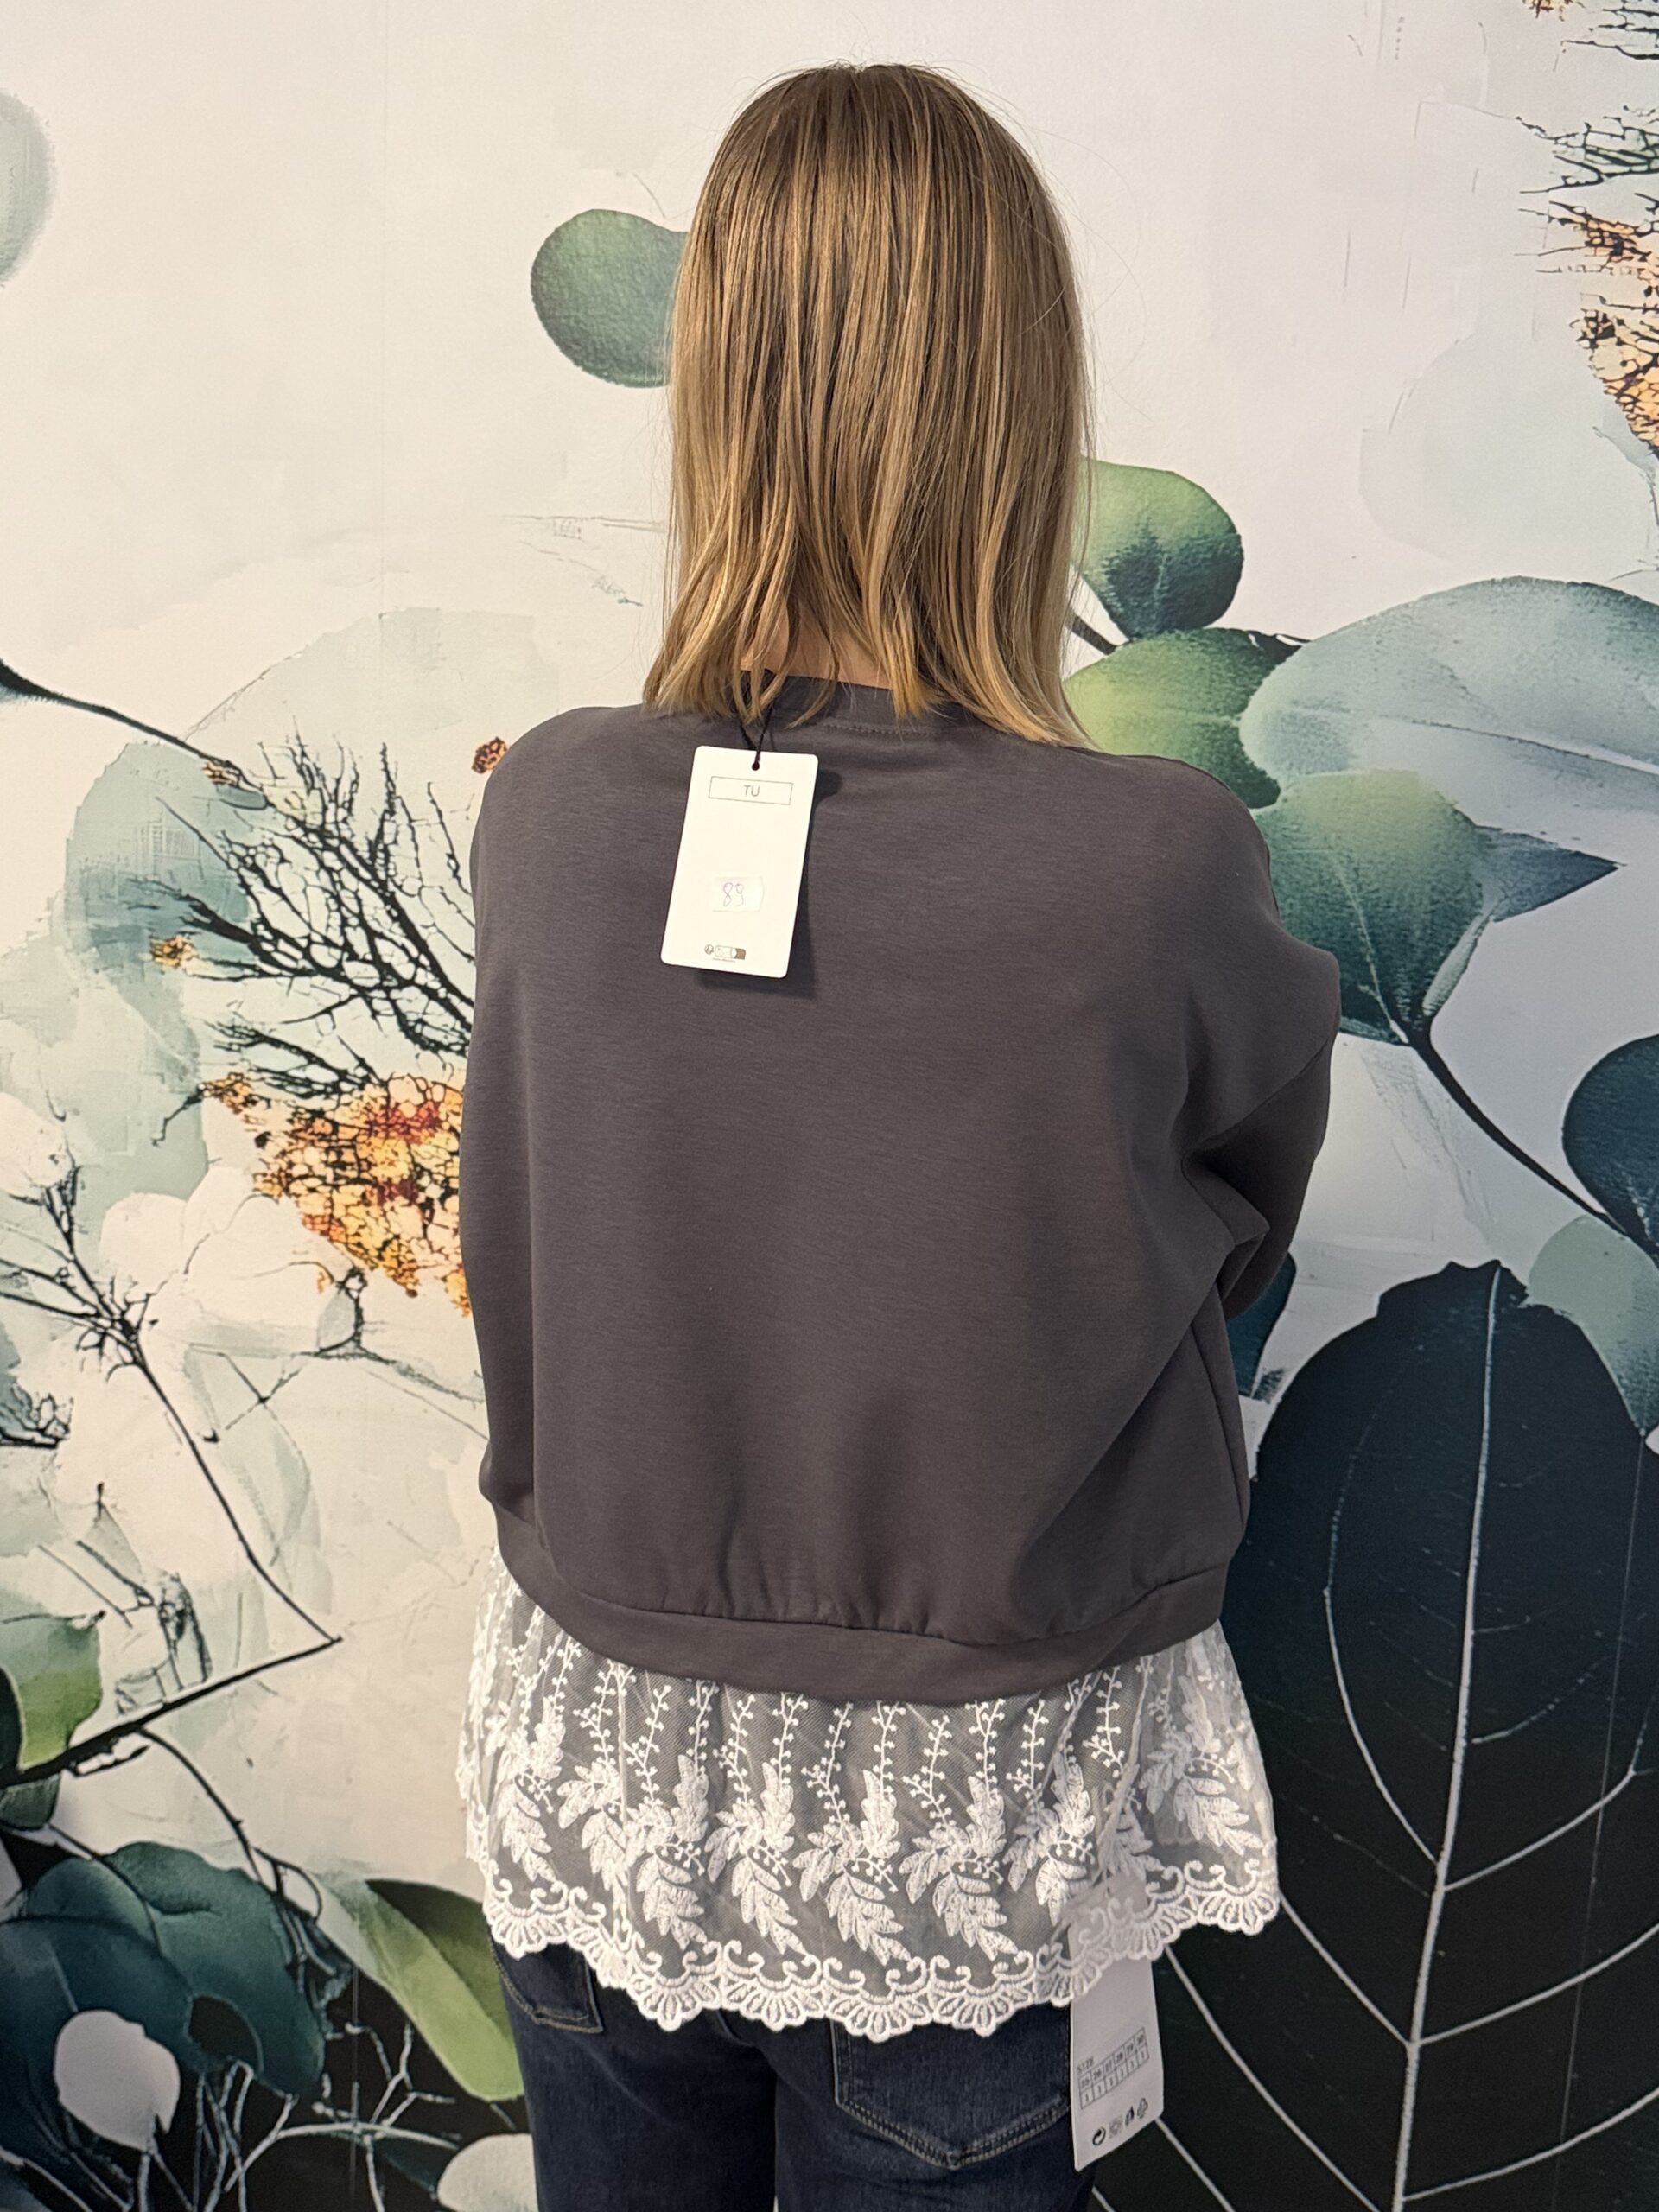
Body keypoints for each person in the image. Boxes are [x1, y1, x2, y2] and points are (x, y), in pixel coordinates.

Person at [455, 57, 1341, 2212]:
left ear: (718, 388)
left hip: (602, 1767)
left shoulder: (552, 807)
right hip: (960, 1819)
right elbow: (1236, 1218)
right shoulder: (1153, 862)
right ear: (1016, 404)